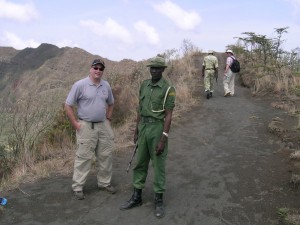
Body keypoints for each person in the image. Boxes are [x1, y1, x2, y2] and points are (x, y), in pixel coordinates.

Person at [119, 56, 176, 219]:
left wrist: (163, 138)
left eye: (158, 68)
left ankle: (158, 200)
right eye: (152, 68)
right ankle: (136, 197)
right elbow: (139, 109)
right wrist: (136, 130)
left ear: (163, 70)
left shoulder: (168, 88)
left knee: (158, 165)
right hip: (143, 127)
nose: (154, 70)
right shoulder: (144, 85)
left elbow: (169, 115)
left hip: (157, 128)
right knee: (140, 163)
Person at [65, 58, 116, 200]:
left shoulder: (106, 85)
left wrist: (108, 118)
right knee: (84, 157)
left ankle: (104, 183)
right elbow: (68, 105)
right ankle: (78, 187)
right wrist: (75, 123)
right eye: (96, 68)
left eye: (101, 69)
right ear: (90, 69)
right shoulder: (80, 85)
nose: (98, 71)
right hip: (86, 126)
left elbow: (111, 103)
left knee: (105, 155)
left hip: (103, 125)